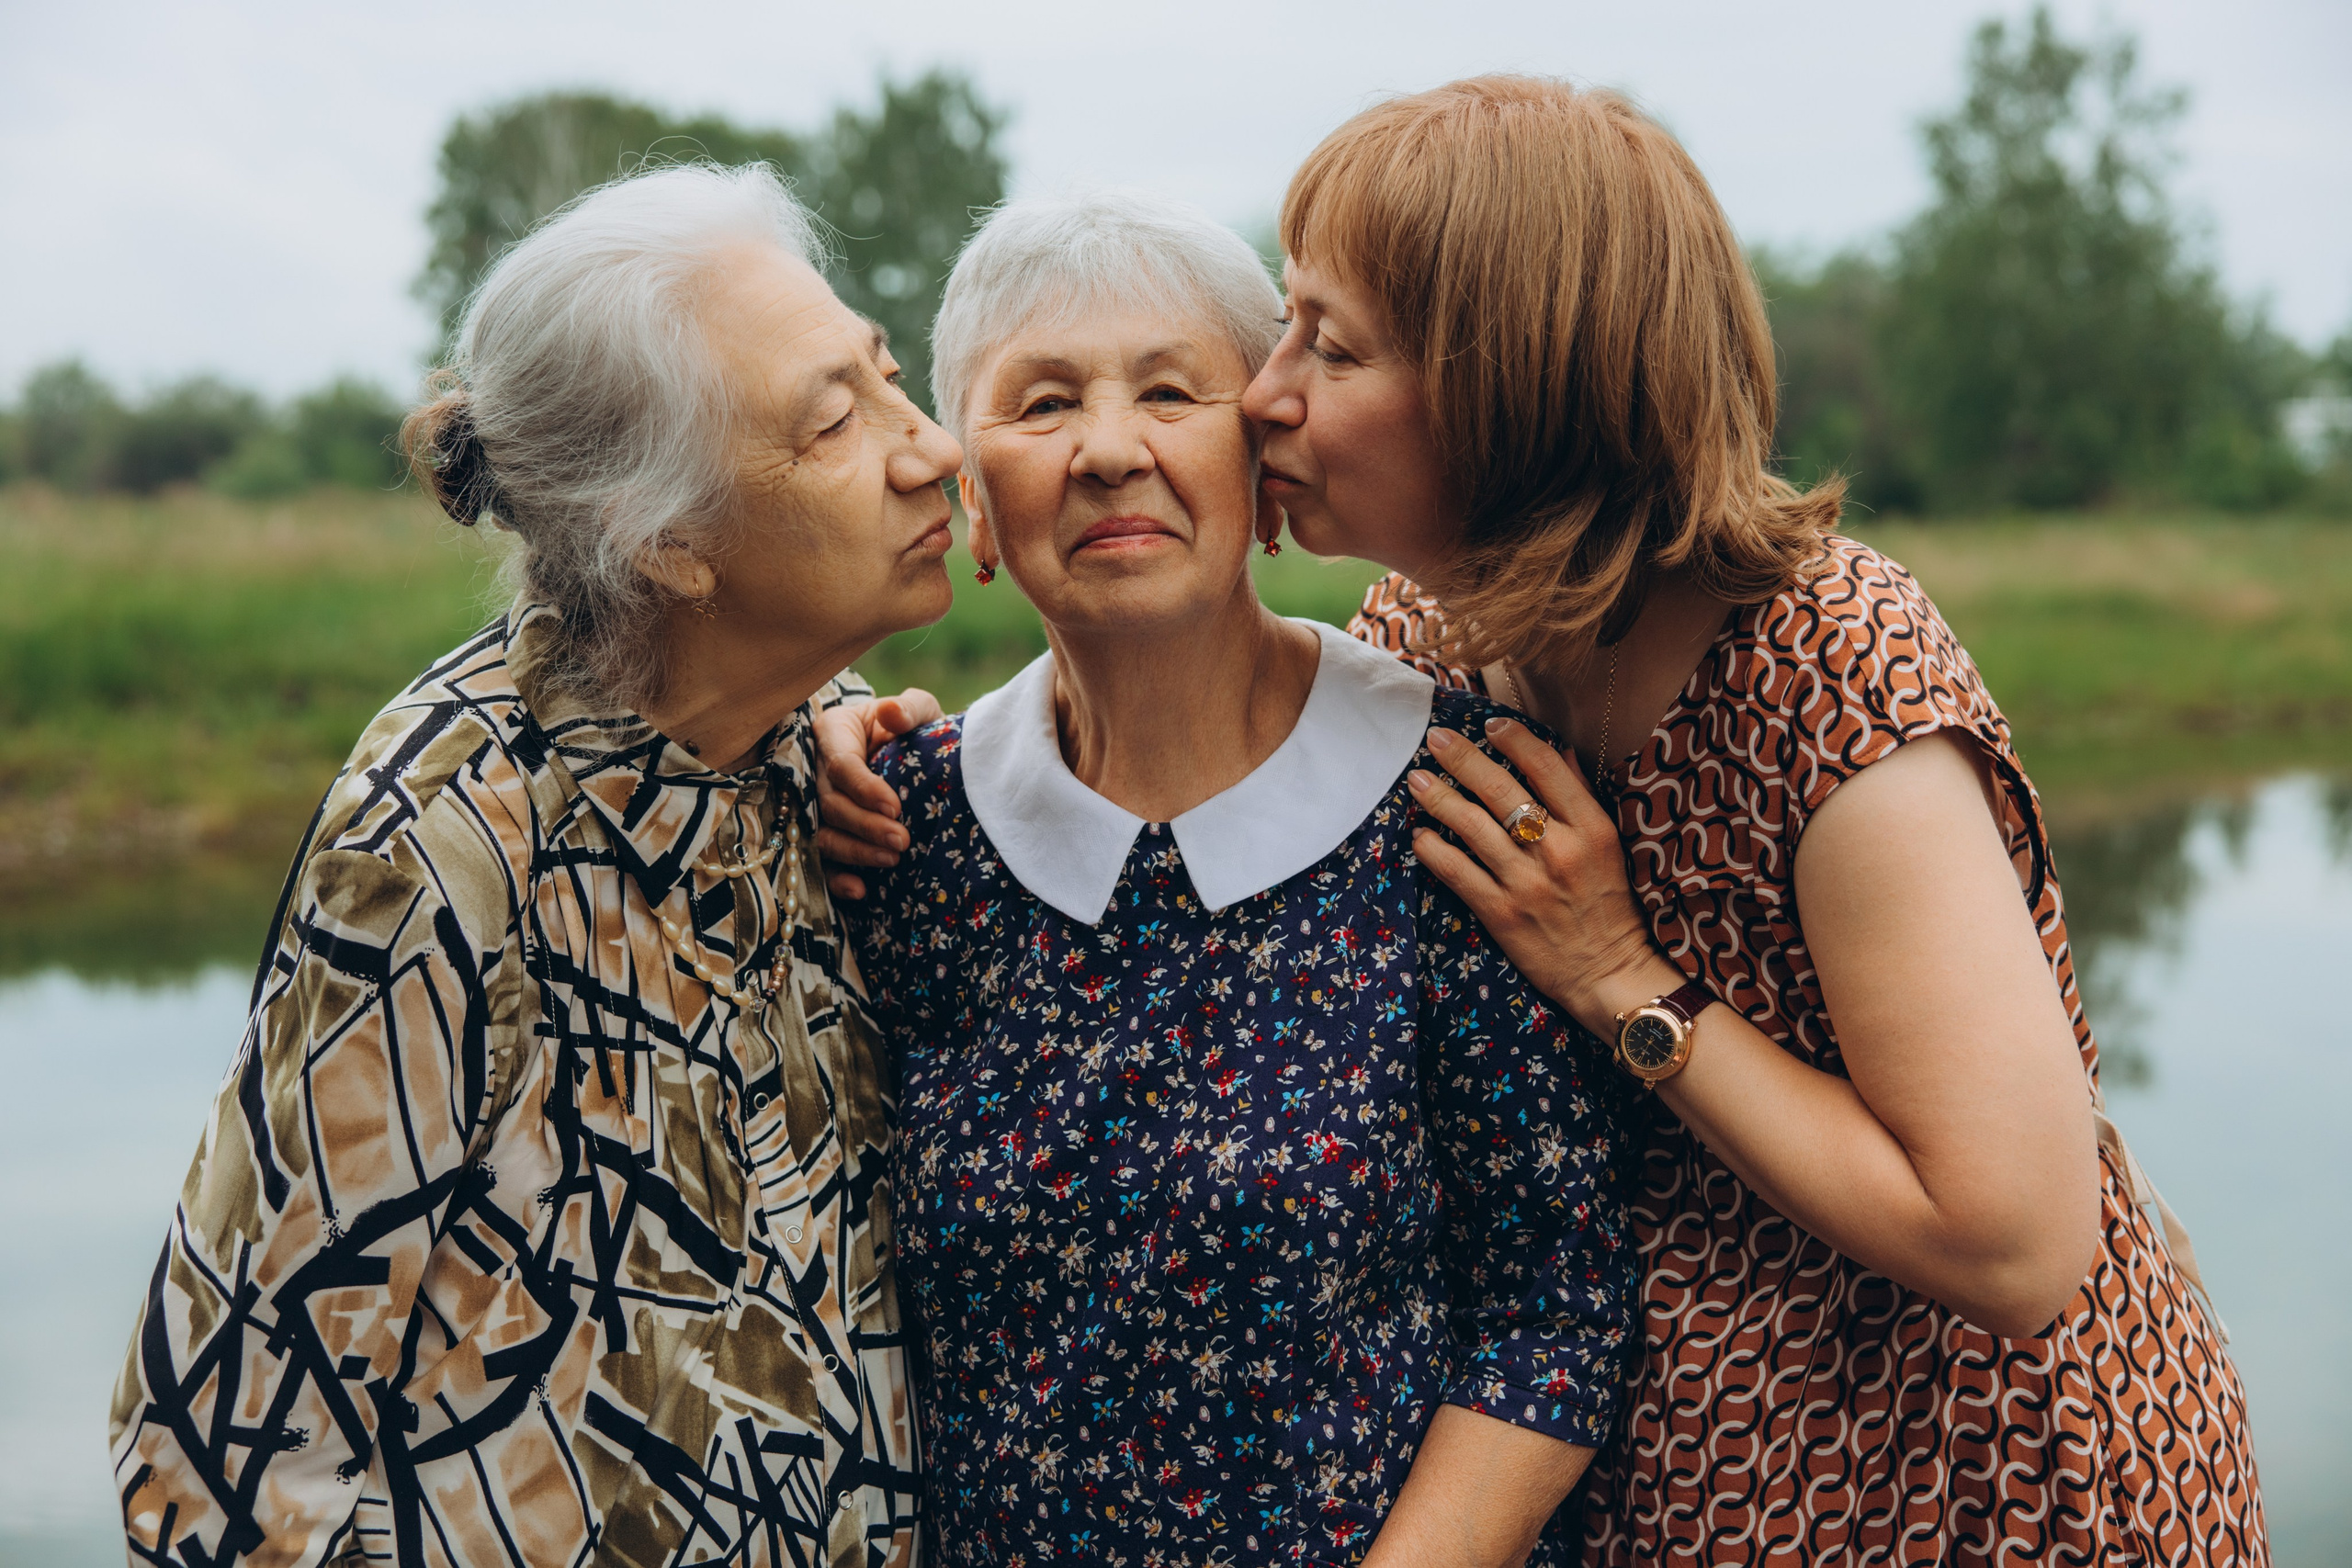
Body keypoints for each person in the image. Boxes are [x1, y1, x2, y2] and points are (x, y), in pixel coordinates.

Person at [1238, 76, 2267, 1563]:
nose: (1267, 387)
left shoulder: (1823, 659)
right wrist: (870, 737)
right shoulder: (1426, 641)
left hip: (1984, 1487)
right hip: (1688, 1494)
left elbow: (2014, 1241)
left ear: (1509, 382)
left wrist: (1620, 982)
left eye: (1329, 344)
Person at [109, 164, 964, 1568]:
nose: (929, 445)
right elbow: (222, 1471)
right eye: (834, 422)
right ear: (668, 543)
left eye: (886, 376)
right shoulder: (442, 845)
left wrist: (844, 722)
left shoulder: (806, 747)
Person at [822, 190, 1637, 1568]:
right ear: (971, 492)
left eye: (1169, 391)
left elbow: (1556, 1313)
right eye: (1039, 405)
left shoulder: (1453, 794)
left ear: (1262, 463)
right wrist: (813, 725)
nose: (1108, 450)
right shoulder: (895, 828)